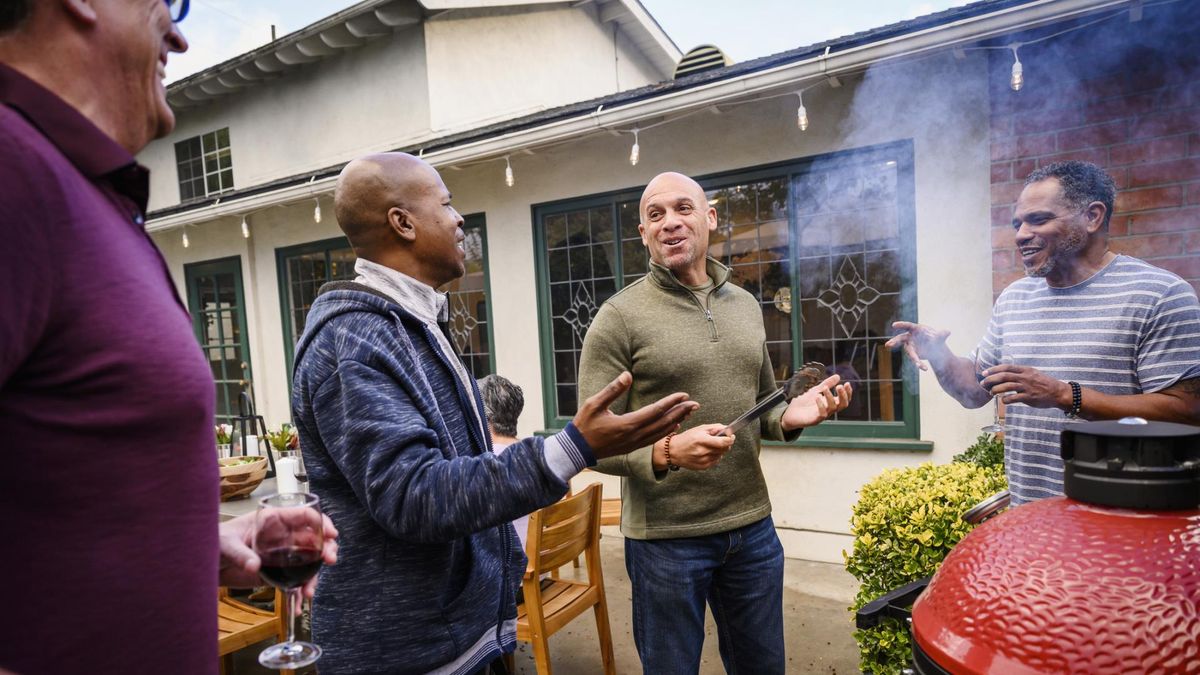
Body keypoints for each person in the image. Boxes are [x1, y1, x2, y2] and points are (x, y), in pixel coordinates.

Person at [0, 1, 336, 673]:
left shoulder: (84, 193)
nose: (180, 35)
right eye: (166, 2)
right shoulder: (12, 172)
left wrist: (198, 543)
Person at [290, 152, 698, 674]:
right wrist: (573, 447)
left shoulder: (412, 322)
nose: (460, 219)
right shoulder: (354, 342)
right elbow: (415, 496)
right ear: (403, 223)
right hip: (406, 651)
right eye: (446, 204)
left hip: (458, 634)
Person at [577, 171, 853, 675]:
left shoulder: (745, 305)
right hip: (665, 541)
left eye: (683, 208)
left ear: (710, 218)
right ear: (643, 234)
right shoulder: (618, 318)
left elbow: (764, 403)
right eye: (655, 215)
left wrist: (790, 416)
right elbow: (591, 439)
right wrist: (665, 453)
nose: (670, 223)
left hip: (752, 530)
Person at [886, 160, 1200, 505]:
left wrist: (1066, 395)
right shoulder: (1015, 298)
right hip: (1030, 519)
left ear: (1092, 217)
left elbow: (1187, 410)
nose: (1020, 234)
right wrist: (938, 354)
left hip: (1122, 525)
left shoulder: (1159, 294)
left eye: (1039, 219)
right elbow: (974, 392)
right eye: (1017, 223)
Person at [478, 373, 533, 549]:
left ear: (484, 416)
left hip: (513, 569)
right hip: (543, 561)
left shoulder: (487, 464)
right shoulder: (534, 454)